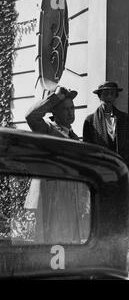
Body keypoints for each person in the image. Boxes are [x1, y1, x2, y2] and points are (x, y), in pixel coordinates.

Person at [25, 86, 90, 244]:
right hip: (48, 195)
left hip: (68, 199)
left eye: (72, 108)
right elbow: (31, 116)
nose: (70, 112)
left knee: (66, 247)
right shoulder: (46, 129)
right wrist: (55, 97)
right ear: (54, 111)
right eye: (65, 109)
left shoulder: (74, 137)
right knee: (47, 246)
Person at [83, 81, 129, 161]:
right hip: (101, 165)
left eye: (112, 94)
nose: (109, 97)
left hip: (120, 165)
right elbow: (87, 149)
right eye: (105, 94)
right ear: (99, 96)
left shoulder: (124, 118)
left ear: (116, 97)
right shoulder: (90, 120)